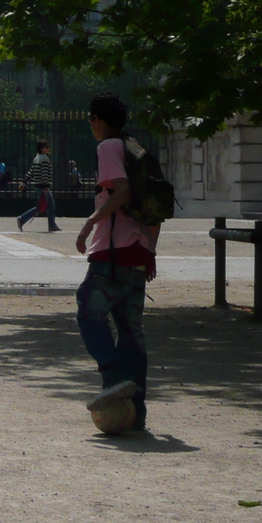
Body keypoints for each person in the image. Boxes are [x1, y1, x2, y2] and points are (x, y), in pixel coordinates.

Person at [75, 94, 157, 432]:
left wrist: (90, 222)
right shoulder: (135, 147)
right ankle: (135, 410)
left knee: (89, 309)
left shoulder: (108, 147)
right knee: (131, 330)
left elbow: (120, 192)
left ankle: (112, 377)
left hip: (112, 250)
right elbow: (156, 205)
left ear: (96, 119)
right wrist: (150, 250)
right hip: (138, 252)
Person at [16, 140, 60, 232]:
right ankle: (22, 218)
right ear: (42, 149)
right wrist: (45, 186)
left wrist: (25, 182)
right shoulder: (44, 159)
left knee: (49, 205)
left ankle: (52, 225)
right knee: (43, 206)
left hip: (38, 185)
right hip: (42, 186)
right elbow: (44, 174)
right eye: (47, 147)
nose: (48, 149)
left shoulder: (37, 158)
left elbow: (31, 172)